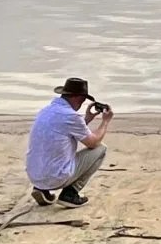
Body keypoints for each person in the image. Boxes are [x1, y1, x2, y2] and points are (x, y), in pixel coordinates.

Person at [25, 77, 114, 208]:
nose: (82, 103)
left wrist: (87, 119)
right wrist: (105, 121)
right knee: (100, 149)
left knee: (51, 153)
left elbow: (65, 129)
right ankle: (70, 193)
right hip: (56, 176)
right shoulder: (71, 116)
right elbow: (92, 143)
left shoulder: (45, 111)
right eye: (83, 100)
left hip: (34, 175)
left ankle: (41, 189)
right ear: (78, 98)